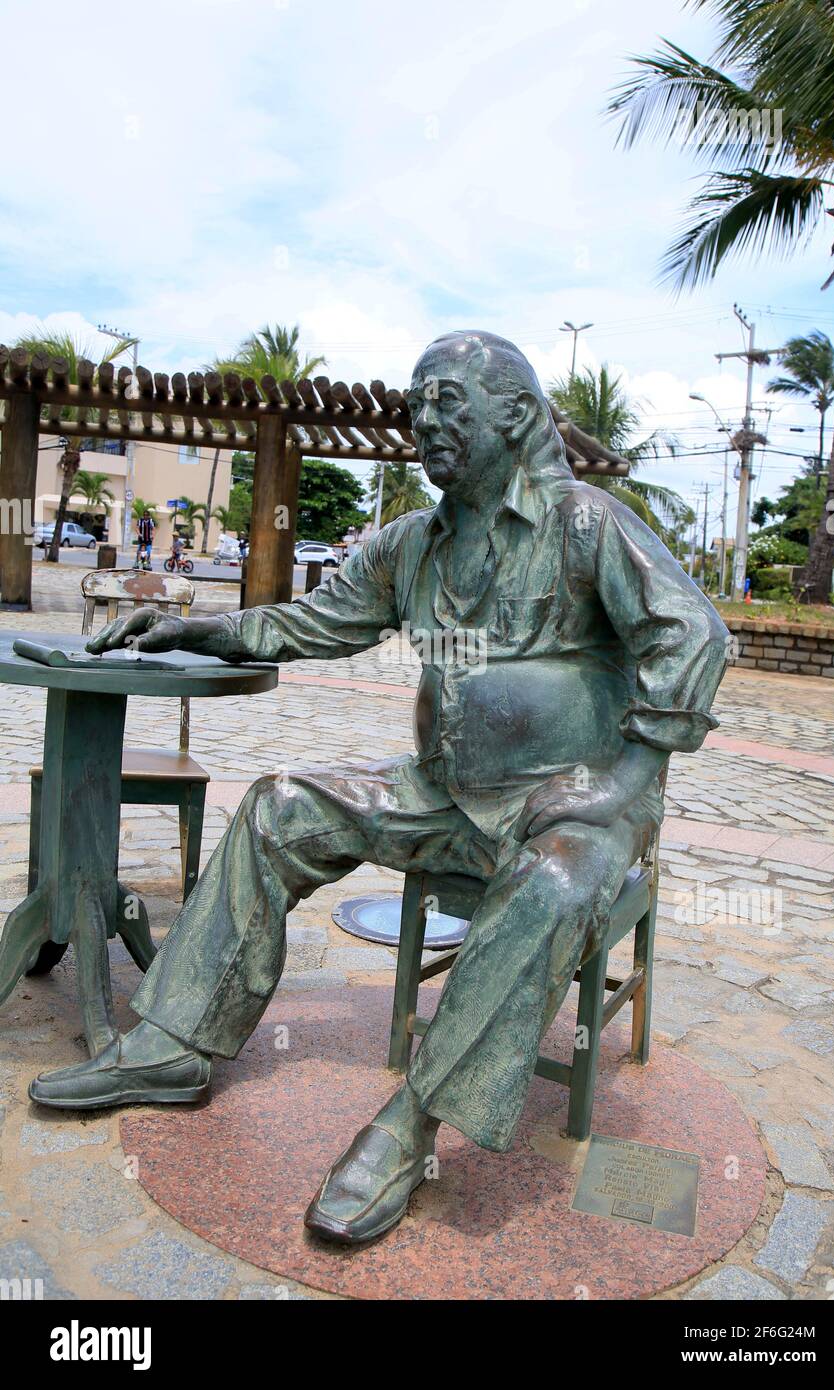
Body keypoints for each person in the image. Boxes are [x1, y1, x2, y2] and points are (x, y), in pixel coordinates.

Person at [27, 331, 729, 1246]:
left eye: (447, 402)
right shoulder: (413, 544)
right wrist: (195, 630)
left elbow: (695, 634)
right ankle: (173, 1046)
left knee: (550, 886)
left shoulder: (584, 522)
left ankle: (410, 1129)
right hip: (443, 791)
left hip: (570, 805)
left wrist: (628, 780)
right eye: (417, 403)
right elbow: (315, 621)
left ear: (514, 416)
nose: (422, 420)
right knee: (278, 805)